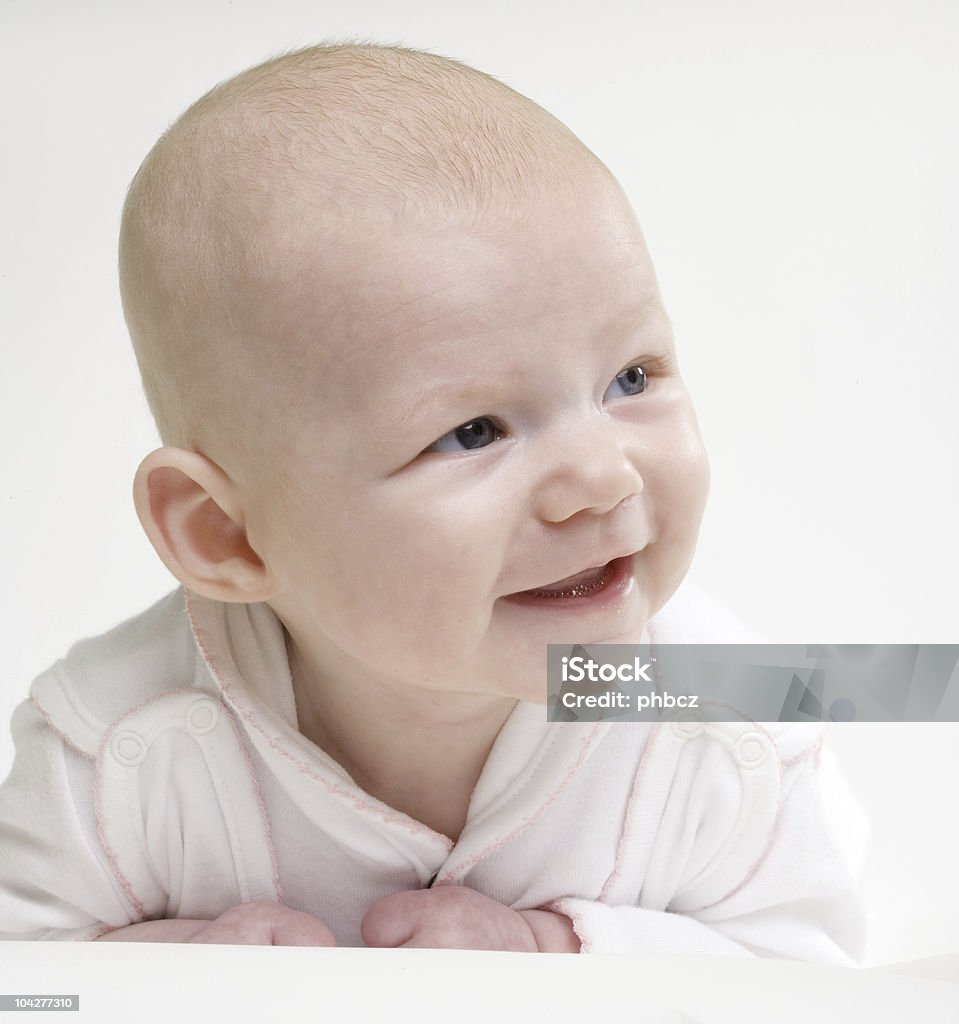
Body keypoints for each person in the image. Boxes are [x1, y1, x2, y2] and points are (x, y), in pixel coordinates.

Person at [0, 42, 864, 959]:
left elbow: (809, 968)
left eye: (630, 375)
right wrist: (179, 971)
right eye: (474, 431)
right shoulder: (114, 750)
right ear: (226, 534)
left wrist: (551, 953)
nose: (605, 477)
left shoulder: (731, 723)